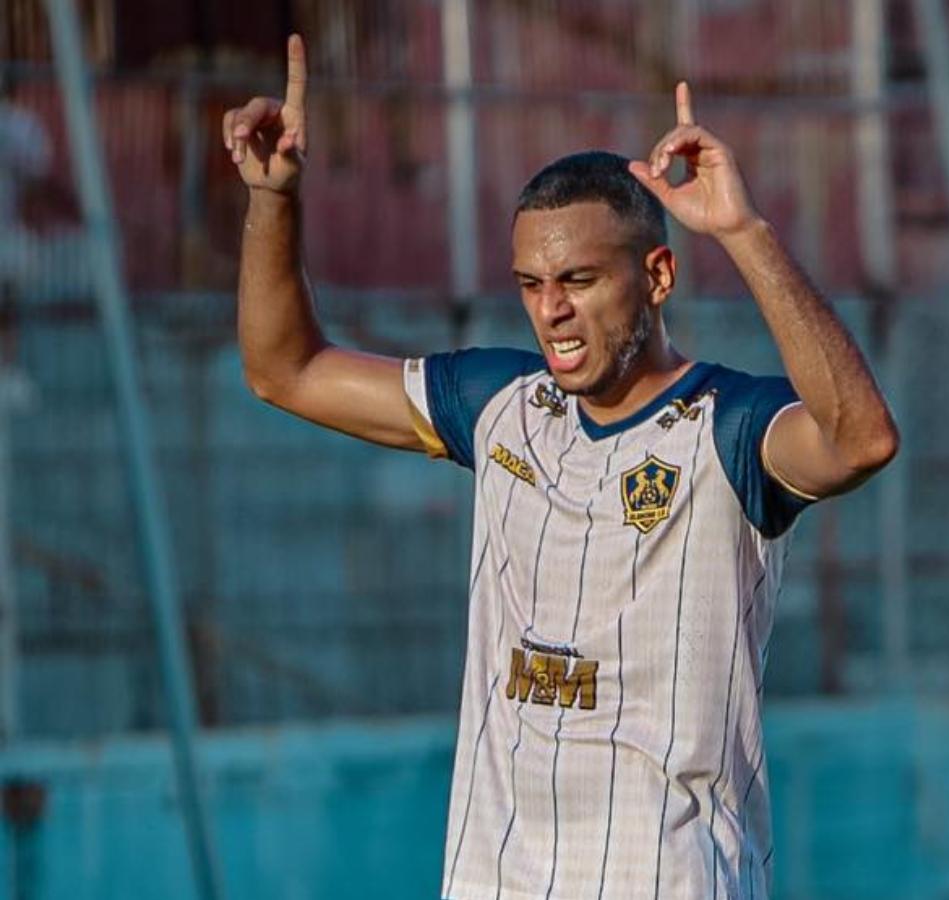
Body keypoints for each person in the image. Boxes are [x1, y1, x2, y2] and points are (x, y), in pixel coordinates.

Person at [224, 34, 897, 900]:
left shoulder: (729, 428)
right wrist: (273, 200)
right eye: (531, 285)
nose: (552, 311)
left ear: (657, 277)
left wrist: (743, 232)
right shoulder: (499, 404)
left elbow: (861, 440)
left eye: (578, 280)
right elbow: (284, 370)